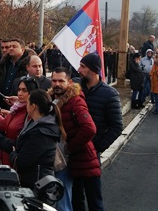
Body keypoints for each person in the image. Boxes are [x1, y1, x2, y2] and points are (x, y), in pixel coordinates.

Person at [0, 90, 62, 189]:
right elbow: (15, 144)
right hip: (32, 182)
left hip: (39, 186)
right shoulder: (32, 124)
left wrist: (14, 154)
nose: (26, 106)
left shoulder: (41, 132)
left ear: (33, 106)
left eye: (28, 103)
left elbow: (22, 162)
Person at [76, 53, 122, 210]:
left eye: (83, 67)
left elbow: (116, 126)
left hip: (91, 154)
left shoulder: (110, 94)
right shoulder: (75, 88)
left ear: (94, 70)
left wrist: (97, 147)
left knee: (94, 197)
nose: (79, 69)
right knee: (76, 198)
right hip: (73, 151)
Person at [49, 67, 100, 211]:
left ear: (69, 82)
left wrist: (69, 147)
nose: (57, 84)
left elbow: (89, 128)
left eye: (61, 81)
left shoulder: (75, 101)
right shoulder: (50, 99)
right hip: (55, 158)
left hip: (72, 159)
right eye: (54, 80)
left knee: (69, 201)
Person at [0, 77, 36, 166]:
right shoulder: (16, 108)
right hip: (4, 156)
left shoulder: (30, 113)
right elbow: (3, 124)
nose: (20, 93)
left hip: (15, 159)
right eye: (19, 90)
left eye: (24, 90)